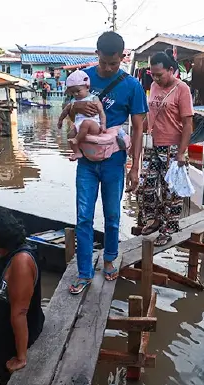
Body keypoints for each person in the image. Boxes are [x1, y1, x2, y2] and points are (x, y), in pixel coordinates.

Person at [65, 31, 147, 295]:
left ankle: (110, 258)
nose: (109, 68)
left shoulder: (132, 85)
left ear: (123, 57)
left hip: (114, 159)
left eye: (115, 63)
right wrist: (75, 108)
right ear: (96, 54)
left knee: (112, 215)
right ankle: (84, 272)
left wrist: (135, 167)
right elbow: (66, 109)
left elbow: (138, 128)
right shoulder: (82, 77)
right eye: (104, 63)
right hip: (87, 160)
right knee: (83, 217)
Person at [0, 208, 45, 385]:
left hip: (13, 348)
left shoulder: (20, 262)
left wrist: (21, 357)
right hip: (1, 343)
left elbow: (20, 313)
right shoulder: (7, 255)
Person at [138, 49, 194, 246]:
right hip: (152, 144)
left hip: (173, 147)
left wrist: (182, 152)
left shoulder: (182, 89)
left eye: (159, 74)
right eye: (152, 74)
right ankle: (153, 219)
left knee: (171, 191)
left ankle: (167, 229)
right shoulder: (153, 86)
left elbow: (188, 124)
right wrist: (137, 137)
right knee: (145, 185)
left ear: (171, 70)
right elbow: (150, 114)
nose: (155, 78)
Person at [57, 70, 107, 161]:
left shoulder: (93, 98)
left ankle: (77, 139)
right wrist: (60, 120)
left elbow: (101, 112)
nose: (75, 94)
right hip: (78, 126)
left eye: (78, 91)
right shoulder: (74, 101)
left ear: (87, 87)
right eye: (73, 92)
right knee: (70, 135)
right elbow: (65, 111)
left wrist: (103, 124)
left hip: (93, 125)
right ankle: (77, 152)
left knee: (86, 122)